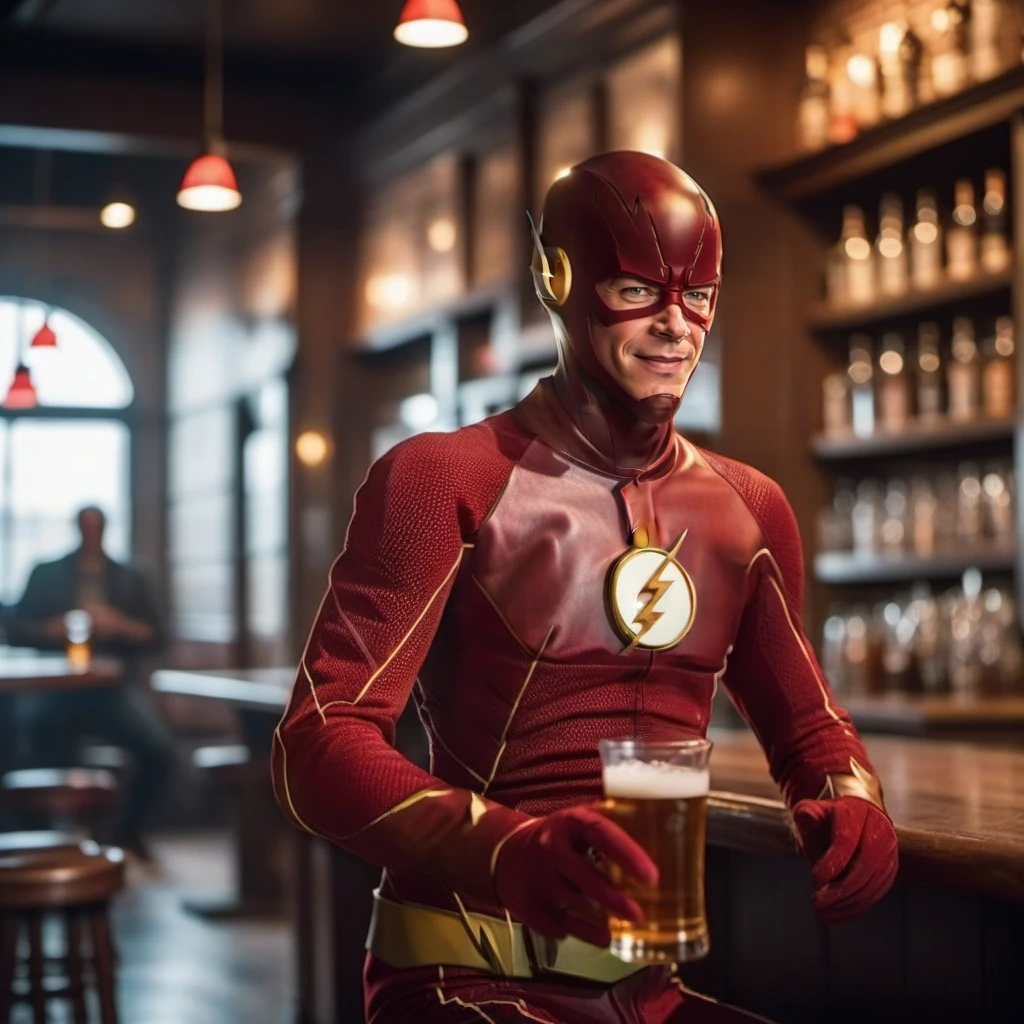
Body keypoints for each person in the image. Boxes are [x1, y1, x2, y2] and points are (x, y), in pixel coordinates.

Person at [272, 152, 899, 1023]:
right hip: (462, 973)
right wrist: (505, 851)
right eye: (639, 291)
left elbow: (807, 726)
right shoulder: (441, 478)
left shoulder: (750, 509)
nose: (677, 325)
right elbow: (318, 744)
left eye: (699, 294)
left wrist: (849, 795)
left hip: (647, 989)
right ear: (556, 280)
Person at [7, 506, 174, 861]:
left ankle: (127, 834)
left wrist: (120, 625)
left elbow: (158, 636)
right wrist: (48, 629)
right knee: (25, 744)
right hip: (51, 690)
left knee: (159, 750)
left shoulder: (130, 578)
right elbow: (15, 628)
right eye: (86, 527)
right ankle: (43, 840)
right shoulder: (47, 573)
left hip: (111, 690)